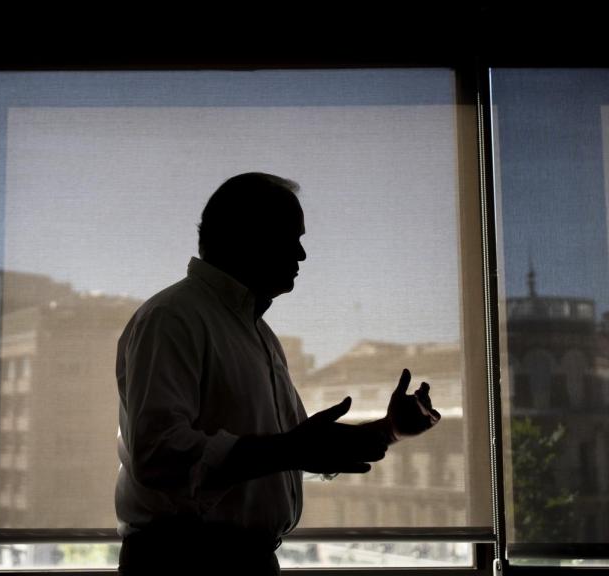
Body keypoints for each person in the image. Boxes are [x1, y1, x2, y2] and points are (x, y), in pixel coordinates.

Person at [115, 173, 441, 575]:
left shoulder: (258, 334)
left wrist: (388, 430)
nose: (302, 255)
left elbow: (295, 446)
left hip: (243, 563)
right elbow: (158, 453)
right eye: (292, 237)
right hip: (184, 568)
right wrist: (292, 449)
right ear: (246, 235)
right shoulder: (172, 318)